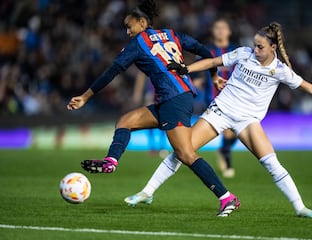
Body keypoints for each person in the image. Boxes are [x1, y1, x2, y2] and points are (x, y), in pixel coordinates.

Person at [124, 22, 312, 218]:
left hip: (247, 120)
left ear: (273, 47)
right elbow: (213, 62)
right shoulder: (243, 53)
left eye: (260, 47)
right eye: (254, 45)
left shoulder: (280, 71)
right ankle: (147, 192)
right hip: (220, 112)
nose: (255, 50)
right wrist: (186, 69)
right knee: (183, 150)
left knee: (271, 163)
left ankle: (300, 208)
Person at [66, 0, 239, 217]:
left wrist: (85, 96)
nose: (128, 31)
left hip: (172, 99)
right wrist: (214, 76)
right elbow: (204, 51)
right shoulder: (172, 34)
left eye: (129, 26)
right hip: (177, 97)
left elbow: (112, 71)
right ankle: (111, 161)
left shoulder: (138, 43)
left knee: (185, 154)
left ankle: (227, 197)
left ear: (142, 22)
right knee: (125, 121)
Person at [206, 18, 238, 178]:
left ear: (229, 31)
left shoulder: (235, 51)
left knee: (237, 132)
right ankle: (228, 165)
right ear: (213, 31)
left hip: (236, 97)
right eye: (217, 27)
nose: (219, 30)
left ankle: (223, 150)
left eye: (223, 27)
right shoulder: (207, 51)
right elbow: (202, 69)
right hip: (214, 97)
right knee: (226, 130)